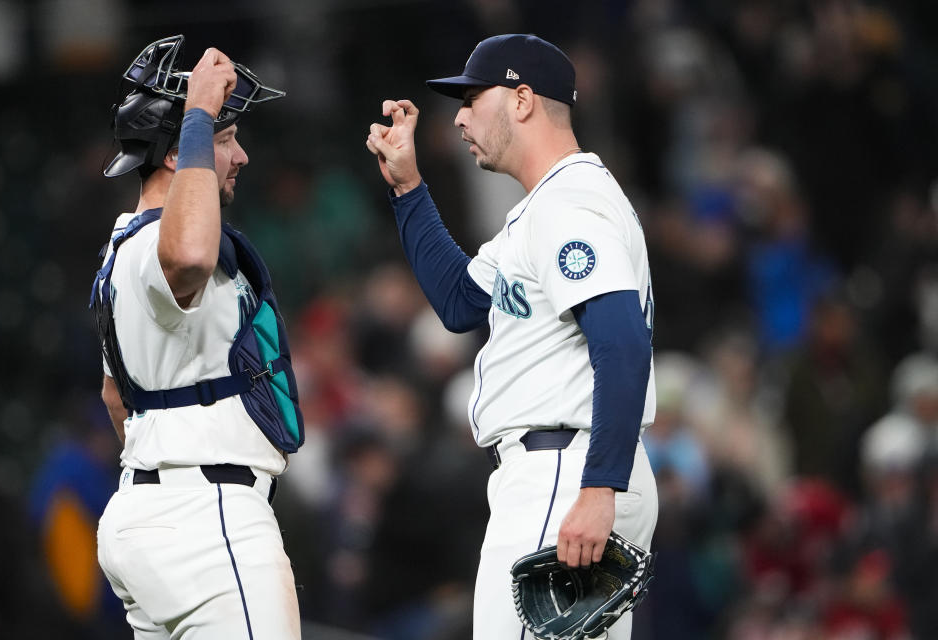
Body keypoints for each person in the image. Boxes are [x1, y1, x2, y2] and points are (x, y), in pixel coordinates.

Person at [366, 33, 659, 639]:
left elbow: (623, 345)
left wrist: (599, 489)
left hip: (566, 472)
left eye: (474, 98)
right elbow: (459, 301)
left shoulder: (570, 205)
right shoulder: (545, 208)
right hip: (569, 469)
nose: (460, 117)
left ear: (523, 100)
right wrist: (408, 187)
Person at [90, 35, 304, 638]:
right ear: (173, 153)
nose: (240, 157)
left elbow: (114, 397)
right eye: (227, 140)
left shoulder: (122, 246)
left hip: (149, 508)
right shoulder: (161, 248)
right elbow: (186, 256)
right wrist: (201, 115)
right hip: (205, 512)